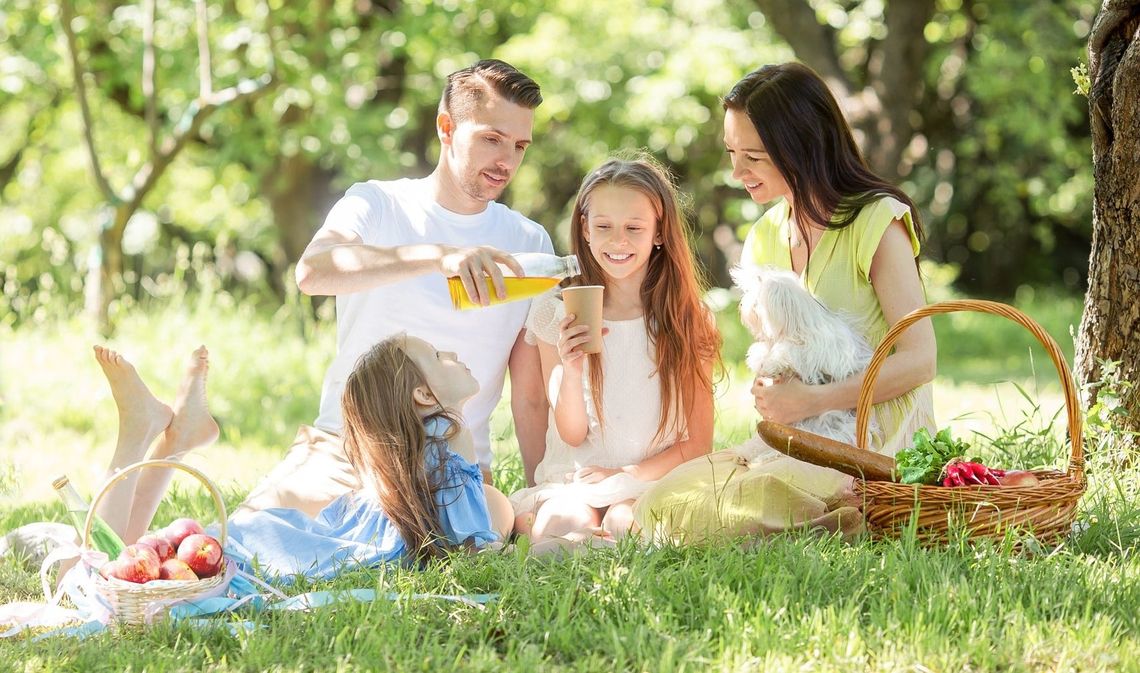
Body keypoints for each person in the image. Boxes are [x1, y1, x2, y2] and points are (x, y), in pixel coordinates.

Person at [634, 62, 937, 542]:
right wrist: (774, 392)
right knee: (661, 502)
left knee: (733, 506)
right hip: (796, 442)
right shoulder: (766, 234)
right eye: (732, 152)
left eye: (752, 156)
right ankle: (826, 518)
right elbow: (782, 358)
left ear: (802, 146)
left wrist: (812, 400)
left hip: (870, 443)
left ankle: (863, 511)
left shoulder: (877, 221)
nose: (736, 172)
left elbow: (920, 360)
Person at [239, 59, 554, 519]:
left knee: (480, 526)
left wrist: (534, 491)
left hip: (452, 473)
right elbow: (313, 271)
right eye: (491, 138)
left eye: (520, 145)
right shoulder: (378, 203)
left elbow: (529, 393)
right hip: (347, 455)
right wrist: (437, 256)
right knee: (243, 539)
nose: (506, 161)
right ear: (447, 127)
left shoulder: (529, 243)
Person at [89, 337, 512, 578]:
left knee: (121, 567)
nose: (453, 354)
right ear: (423, 395)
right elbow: (468, 547)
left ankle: (165, 438)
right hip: (277, 548)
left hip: (271, 539)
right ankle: (143, 436)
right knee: (111, 569)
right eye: (439, 356)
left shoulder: (415, 459)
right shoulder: (450, 433)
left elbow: (460, 540)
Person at [509, 156, 722, 542]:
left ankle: (600, 545)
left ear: (659, 233)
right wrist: (571, 371)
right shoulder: (555, 311)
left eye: (634, 228)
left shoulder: (686, 319)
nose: (617, 241)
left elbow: (698, 442)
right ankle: (582, 544)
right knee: (560, 526)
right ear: (584, 230)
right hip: (579, 477)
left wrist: (626, 477)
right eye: (603, 226)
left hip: (650, 477)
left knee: (625, 525)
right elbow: (572, 434)